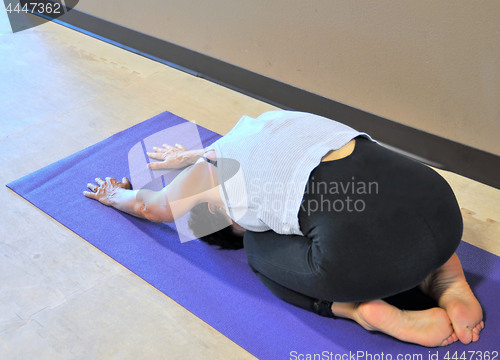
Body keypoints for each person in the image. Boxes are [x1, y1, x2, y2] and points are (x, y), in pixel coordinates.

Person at [84, 110, 484, 347]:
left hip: (369, 265)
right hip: (443, 209)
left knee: (260, 247)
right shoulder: (267, 123)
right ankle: (448, 277)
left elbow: (150, 208)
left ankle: (359, 311)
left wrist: (114, 194)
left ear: (222, 215)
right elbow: (235, 151)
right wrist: (188, 157)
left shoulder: (218, 186)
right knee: (379, 197)